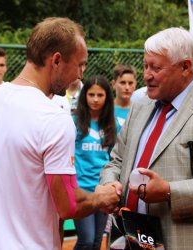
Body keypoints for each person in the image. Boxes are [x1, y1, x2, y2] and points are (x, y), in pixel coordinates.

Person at [0, 17, 119, 250]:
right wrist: (103, 197)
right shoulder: (53, 118)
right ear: (56, 60)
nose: (81, 75)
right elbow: (68, 203)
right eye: (80, 64)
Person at [100, 27, 193, 249]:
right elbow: (117, 160)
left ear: (185, 67)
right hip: (130, 238)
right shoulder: (140, 105)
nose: (146, 75)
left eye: (156, 68)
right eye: (145, 65)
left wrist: (169, 191)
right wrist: (110, 184)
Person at [73, 75, 119, 249]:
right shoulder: (74, 123)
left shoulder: (112, 124)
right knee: (86, 239)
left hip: (103, 190)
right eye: (91, 94)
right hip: (81, 190)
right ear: (84, 96)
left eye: (100, 95)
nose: (95, 99)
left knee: (97, 241)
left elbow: (115, 157)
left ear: (107, 97)